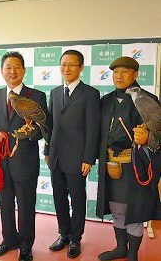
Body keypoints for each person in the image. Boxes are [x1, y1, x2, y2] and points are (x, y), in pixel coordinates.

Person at [0, 51, 49, 261]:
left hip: (25, 162)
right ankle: (8, 240)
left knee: (26, 204)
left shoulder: (36, 96)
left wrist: (29, 133)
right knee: (5, 204)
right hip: (1, 163)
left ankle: (26, 245)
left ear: (23, 70)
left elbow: (43, 128)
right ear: (2, 71)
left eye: (17, 67)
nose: (12, 71)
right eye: (8, 67)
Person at [96, 56, 161, 261]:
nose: (119, 76)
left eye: (125, 72)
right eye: (116, 72)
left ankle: (133, 254)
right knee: (116, 208)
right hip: (112, 165)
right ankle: (121, 248)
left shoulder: (147, 99)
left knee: (134, 211)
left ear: (136, 75)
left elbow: (159, 136)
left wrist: (148, 137)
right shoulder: (105, 101)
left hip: (136, 167)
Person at [45, 50, 100, 259]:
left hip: (78, 158)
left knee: (77, 199)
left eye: (71, 65)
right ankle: (63, 234)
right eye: (63, 64)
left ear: (81, 67)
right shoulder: (55, 92)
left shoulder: (90, 94)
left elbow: (93, 129)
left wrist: (88, 158)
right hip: (56, 156)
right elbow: (49, 126)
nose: (66, 69)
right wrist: (47, 150)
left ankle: (76, 238)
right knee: (59, 197)